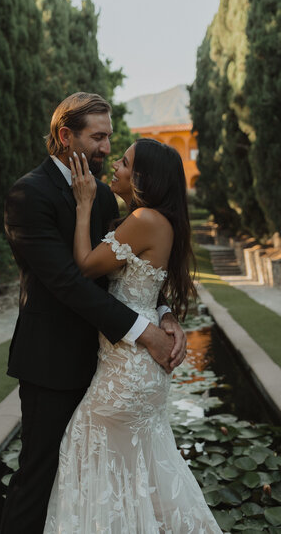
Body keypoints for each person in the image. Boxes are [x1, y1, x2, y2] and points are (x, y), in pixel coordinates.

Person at [0, 93, 187, 534]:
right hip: (53, 365)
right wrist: (144, 332)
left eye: (109, 138)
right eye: (98, 137)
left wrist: (163, 313)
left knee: (94, 485)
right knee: (38, 478)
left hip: (109, 369)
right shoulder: (29, 195)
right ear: (67, 137)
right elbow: (69, 283)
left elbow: (131, 270)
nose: (107, 148)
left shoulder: (104, 196)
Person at [43, 139, 221, 533]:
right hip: (134, 361)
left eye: (124, 162)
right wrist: (167, 314)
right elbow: (147, 290)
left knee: (84, 440)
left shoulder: (144, 219)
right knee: (139, 469)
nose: (115, 167)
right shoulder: (147, 220)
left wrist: (84, 204)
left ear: (143, 178)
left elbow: (87, 267)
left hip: (131, 363)